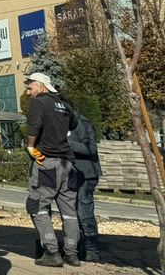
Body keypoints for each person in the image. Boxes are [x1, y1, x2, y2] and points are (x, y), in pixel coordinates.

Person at [24, 72, 80, 267]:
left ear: (41, 86)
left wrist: (31, 146)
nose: (29, 92)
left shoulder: (40, 102)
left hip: (47, 162)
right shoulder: (64, 105)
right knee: (69, 210)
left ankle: (51, 251)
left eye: (30, 88)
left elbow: (34, 125)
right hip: (68, 164)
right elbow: (74, 123)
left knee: (37, 205)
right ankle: (72, 253)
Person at [69, 111, 102, 262]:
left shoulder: (82, 123)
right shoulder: (64, 124)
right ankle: (79, 246)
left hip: (86, 174)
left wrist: (66, 142)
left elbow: (91, 148)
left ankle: (91, 249)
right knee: (73, 211)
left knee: (84, 211)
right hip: (72, 173)